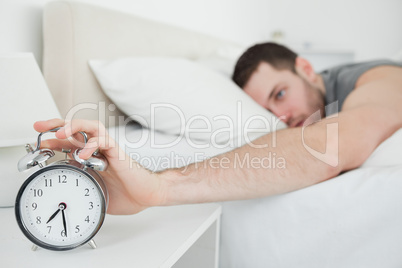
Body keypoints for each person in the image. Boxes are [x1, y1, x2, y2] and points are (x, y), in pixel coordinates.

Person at [34, 42, 402, 215]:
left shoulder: (380, 77)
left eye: (280, 93)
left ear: (306, 69)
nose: (281, 115)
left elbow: (331, 145)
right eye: (266, 107)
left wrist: (160, 186)